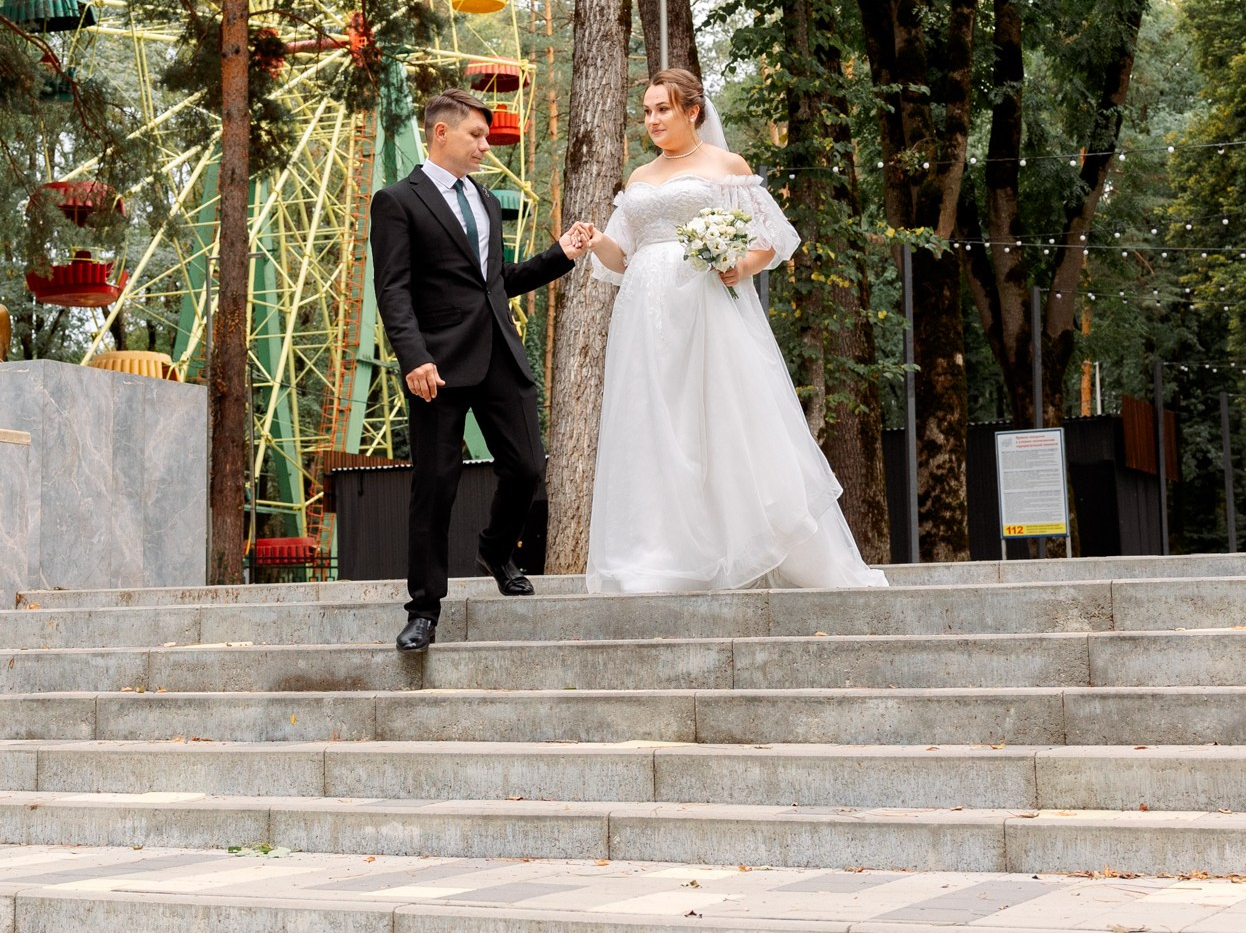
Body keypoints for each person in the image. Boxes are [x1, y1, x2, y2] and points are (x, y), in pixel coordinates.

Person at [581, 66, 887, 595]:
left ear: (691, 111)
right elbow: (621, 255)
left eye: (663, 109)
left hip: (704, 308)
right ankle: (661, 554)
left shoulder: (726, 166)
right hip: (646, 319)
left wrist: (740, 266)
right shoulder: (638, 177)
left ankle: (739, 545)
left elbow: (768, 238)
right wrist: (593, 240)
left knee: (719, 420)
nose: (652, 120)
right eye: (648, 110)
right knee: (656, 427)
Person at [371, 89, 599, 651]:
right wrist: (414, 357)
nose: (484, 145)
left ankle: (496, 549)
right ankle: (424, 608)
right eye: (476, 135)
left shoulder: (487, 201)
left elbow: (496, 282)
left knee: (525, 468)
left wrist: (560, 255)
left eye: (486, 137)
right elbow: (393, 290)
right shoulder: (397, 201)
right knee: (436, 487)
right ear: (440, 133)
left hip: (499, 352)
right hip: (437, 366)